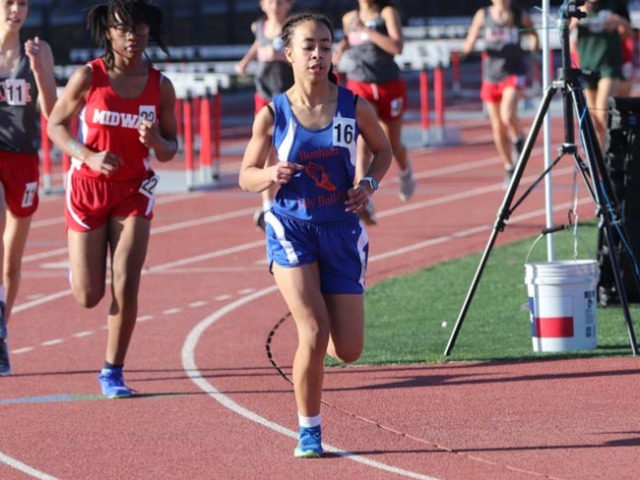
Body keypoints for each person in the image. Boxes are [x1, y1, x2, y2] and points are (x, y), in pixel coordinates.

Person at [238, 12, 392, 457]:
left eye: (325, 46)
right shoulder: (273, 114)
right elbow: (245, 175)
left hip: (341, 230)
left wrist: (368, 184)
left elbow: (382, 150)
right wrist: (269, 174)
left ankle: (323, 314)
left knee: (349, 350)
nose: (318, 55)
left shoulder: (353, 106)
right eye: (309, 46)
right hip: (292, 229)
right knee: (313, 329)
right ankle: (309, 431)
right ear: (288, 53)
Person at [46, 0, 178, 398]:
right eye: (123, 29)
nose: (132, 36)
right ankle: (79, 270)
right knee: (89, 296)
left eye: (138, 28)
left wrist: (156, 141)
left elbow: (170, 148)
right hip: (87, 188)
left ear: (148, 31)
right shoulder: (89, 76)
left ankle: (112, 371)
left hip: (134, 189)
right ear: (109, 32)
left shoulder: (160, 86)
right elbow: (55, 125)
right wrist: (87, 156)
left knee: (126, 281)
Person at [0, 0, 57, 376]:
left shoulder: (39, 50)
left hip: (24, 159)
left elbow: (53, 113)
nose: (15, 10)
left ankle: (1, 330)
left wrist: (38, 71)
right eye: (8, 2)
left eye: (22, 3)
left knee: (11, 262)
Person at [332, 0, 414, 225]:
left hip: (388, 84)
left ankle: (405, 171)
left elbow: (397, 47)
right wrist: (341, 48)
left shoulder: (387, 13)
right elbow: (349, 38)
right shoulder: (350, 18)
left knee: (391, 143)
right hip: (360, 83)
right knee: (363, 142)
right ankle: (364, 196)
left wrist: (367, 31)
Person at [462, 0, 539, 187]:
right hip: (492, 76)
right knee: (497, 127)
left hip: (514, 73)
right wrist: (469, 46)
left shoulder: (519, 14)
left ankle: (519, 138)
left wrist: (533, 47)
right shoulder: (483, 15)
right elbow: (469, 42)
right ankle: (509, 166)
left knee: (507, 114)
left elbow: (533, 34)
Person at [235, 0, 295, 231]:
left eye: (279, 2)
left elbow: (299, 57)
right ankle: (268, 206)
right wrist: (245, 61)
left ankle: (293, 198)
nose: (274, 5)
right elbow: (258, 44)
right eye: (270, 1)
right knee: (266, 147)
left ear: (288, 4)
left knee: (289, 147)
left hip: (286, 94)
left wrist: (279, 56)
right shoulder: (259, 25)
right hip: (263, 93)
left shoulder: (292, 28)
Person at [570, 0, 631, 148]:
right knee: (594, 119)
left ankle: (619, 147)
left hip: (609, 65)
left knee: (602, 111)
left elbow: (628, 34)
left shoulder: (615, 4)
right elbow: (565, 32)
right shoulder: (577, 4)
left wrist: (619, 21)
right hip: (587, 65)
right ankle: (601, 156)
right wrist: (575, 19)